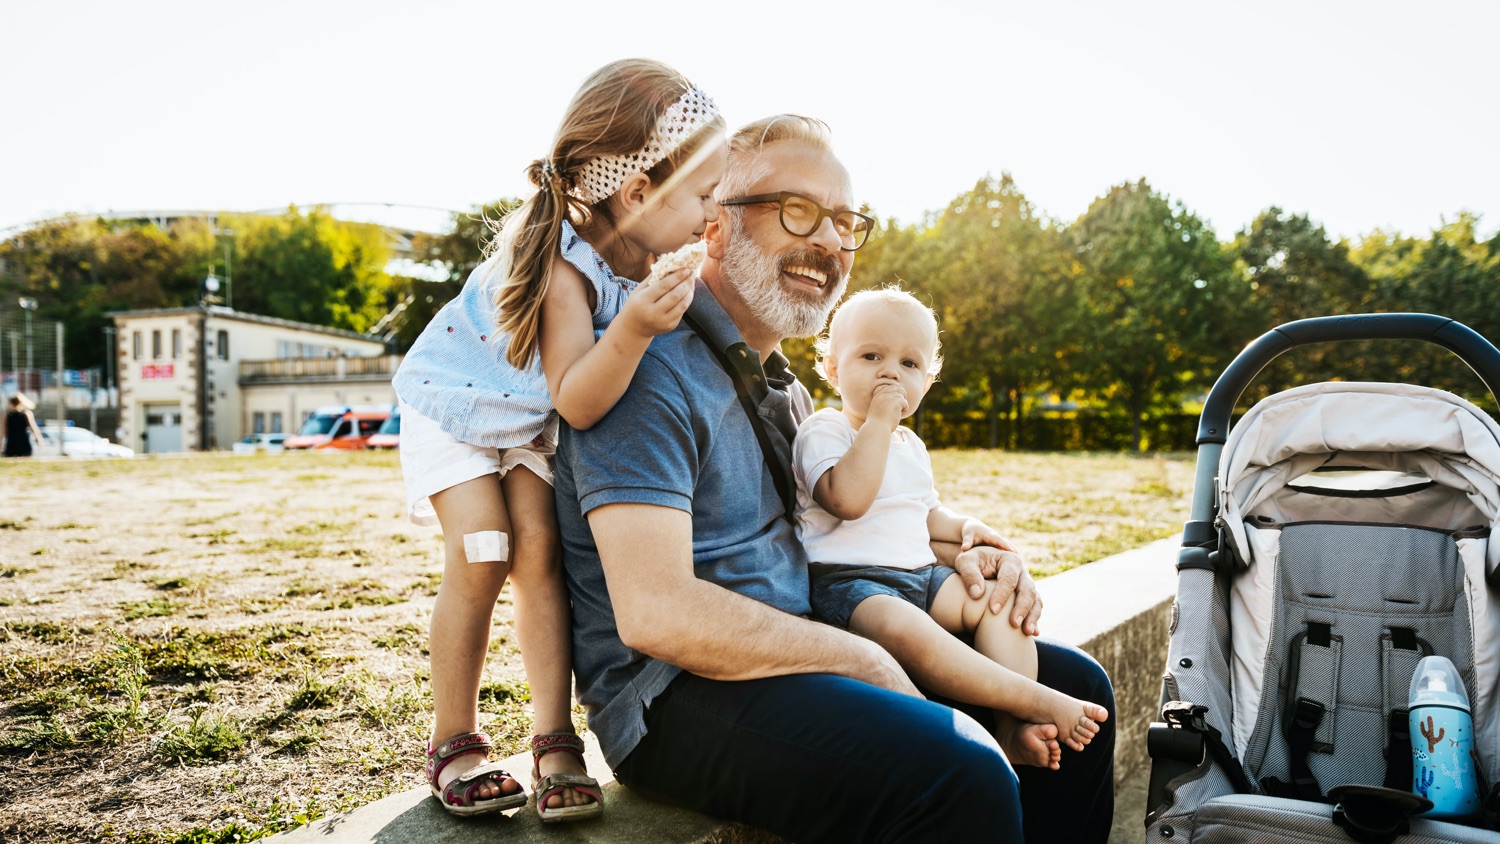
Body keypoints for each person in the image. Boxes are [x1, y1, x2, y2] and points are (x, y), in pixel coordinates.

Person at [555, 114, 1116, 842]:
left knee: (1076, 692)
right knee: (959, 772)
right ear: (712, 226)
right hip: (677, 695)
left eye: (845, 221)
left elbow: (845, 518)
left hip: (800, 639)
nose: (829, 241)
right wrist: (863, 657)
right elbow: (656, 613)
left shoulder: (784, 389)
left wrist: (968, 554)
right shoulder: (645, 367)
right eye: (798, 212)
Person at [390, 57, 726, 822]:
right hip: (460, 404)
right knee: (484, 552)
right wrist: (637, 326)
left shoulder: (638, 252)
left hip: (524, 419)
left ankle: (553, 737)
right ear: (637, 193)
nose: (714, 215)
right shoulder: (564, 266)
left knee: (539, 552)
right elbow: (578, 398)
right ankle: (456, 741)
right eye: (704, 197)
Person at [794, 287, 1108, 771]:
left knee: (995, 604)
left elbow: (926, 515)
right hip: (850, 585)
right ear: (833, 368)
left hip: (922, 576)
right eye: (871, 355)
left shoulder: (911, 445)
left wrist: (968, 526)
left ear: (928, 380)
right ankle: (1035, 699)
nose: (889, 372)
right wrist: (876, 423)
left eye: (909, 363)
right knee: (907, 630)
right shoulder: (827, 429)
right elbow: (847, 500)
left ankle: (1010, 724)